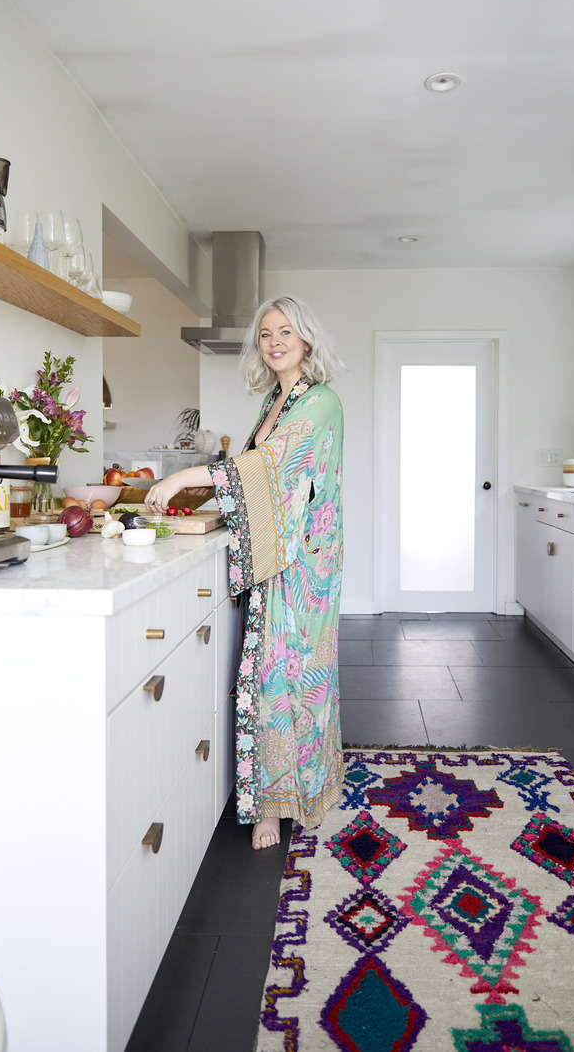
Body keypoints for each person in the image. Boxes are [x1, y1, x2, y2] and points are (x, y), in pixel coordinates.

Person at [146, 296, 345, 850]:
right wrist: (199, 487)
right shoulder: (273, 401)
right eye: (265, 334)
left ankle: (285, 803)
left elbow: (271, 466)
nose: (275, 341)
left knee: (290, 676)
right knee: (267, 676)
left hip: (303, 563)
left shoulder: (320, 401)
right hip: (276, 556)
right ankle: (275, 799)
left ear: (306, 339)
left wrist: (185, 477)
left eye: (285, 331)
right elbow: (253, 474)